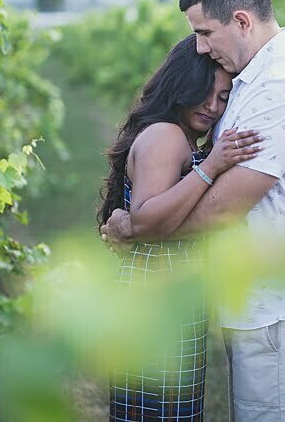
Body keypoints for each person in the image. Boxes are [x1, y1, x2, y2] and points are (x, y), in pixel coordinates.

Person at [101, 0, 285, 422]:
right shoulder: (254, 80)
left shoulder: (281, 88)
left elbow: (223, 209)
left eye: (205, 32)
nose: (199, 46)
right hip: (262, 303)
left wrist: (137, 228)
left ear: (241, 21)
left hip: (281, 307)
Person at [98, 34, 262, 421]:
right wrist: (212, 165)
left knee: (166, 408)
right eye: (204, 92)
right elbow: (148, 218)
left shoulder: (178, 136)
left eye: (223, 97)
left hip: (170, 289)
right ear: (180, 85)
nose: (212, 105)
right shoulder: (165, 136)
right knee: (156, 408)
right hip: (153, 294)